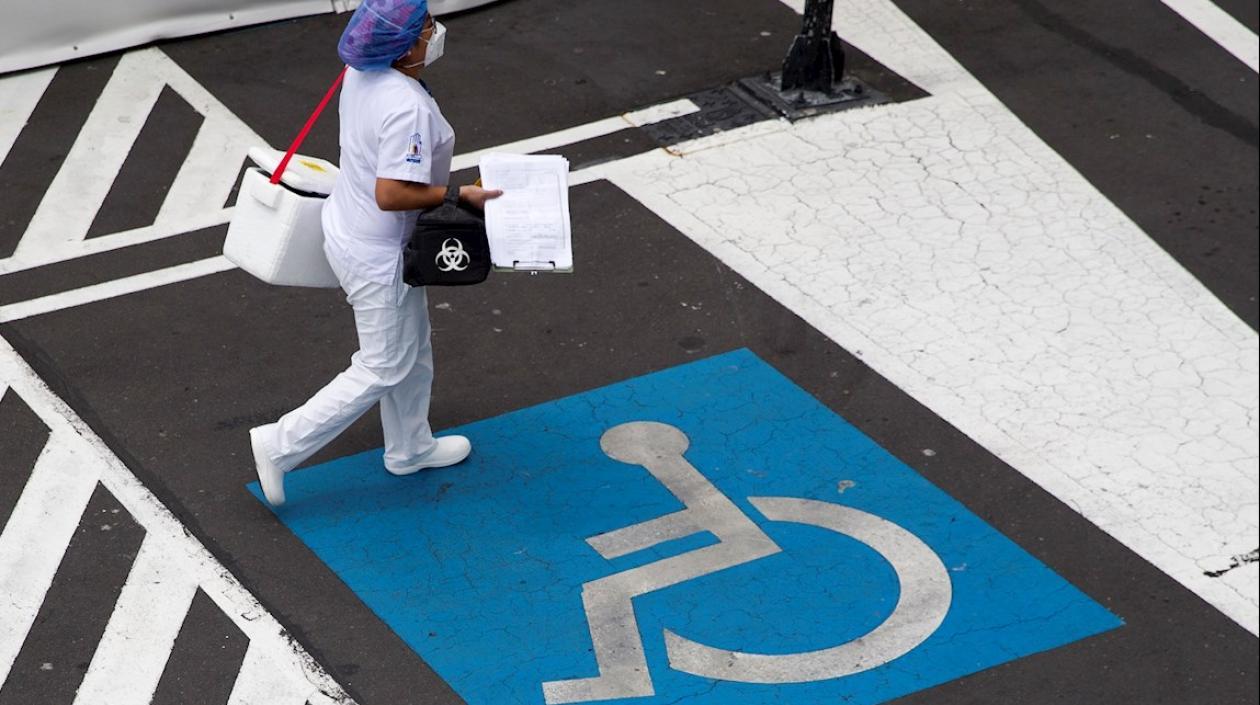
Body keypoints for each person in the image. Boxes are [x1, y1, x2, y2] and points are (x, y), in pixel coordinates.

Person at [249, 0, 501, 506]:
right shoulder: (405, 106)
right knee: (383, 364)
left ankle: (410, 448)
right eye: (426, 27)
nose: (435, 32)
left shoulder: (360, 72)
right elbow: (392, 193)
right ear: (405, 47)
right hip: (378, 253)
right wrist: (459, 195)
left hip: (352, 226)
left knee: (413, 348)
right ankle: (279, 445)